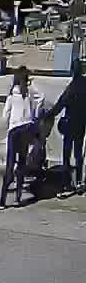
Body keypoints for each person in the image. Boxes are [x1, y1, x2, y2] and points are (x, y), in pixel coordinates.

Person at [1, 67, 45, 208]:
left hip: (14, 131)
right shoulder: (30, 95)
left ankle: (2, 199)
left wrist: (9, 125)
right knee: (21, 164)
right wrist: (35, 116)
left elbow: (5, 116)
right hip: (26, 130)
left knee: (10, 164)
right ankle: (17, 198)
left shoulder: (12, 96)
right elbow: (42, 98)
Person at [45, 65, 86, 194]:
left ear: (73, 71)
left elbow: (60, 104)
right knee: (78, 154)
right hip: (81, 125)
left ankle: (66, 183)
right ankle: (79, 181)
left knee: (67, 154)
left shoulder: (72, 87)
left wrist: (48, 115)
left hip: (69, 125)